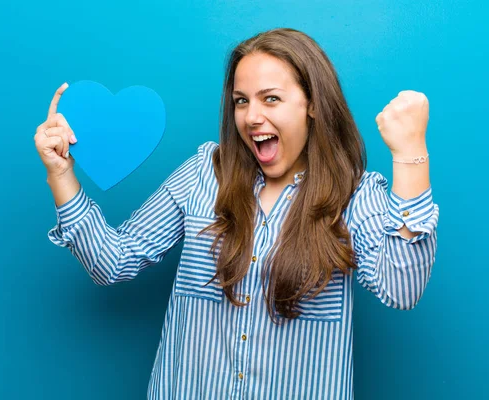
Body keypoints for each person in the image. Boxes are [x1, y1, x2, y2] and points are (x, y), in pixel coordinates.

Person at [34, 28, 438, 400]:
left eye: (271, 98)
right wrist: (61, 174)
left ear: (313, 104)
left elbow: (401, 289)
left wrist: (409, 157)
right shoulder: (203, 174)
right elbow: (112, 262)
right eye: (241, 101)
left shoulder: (355, 194)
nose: (251, 116)